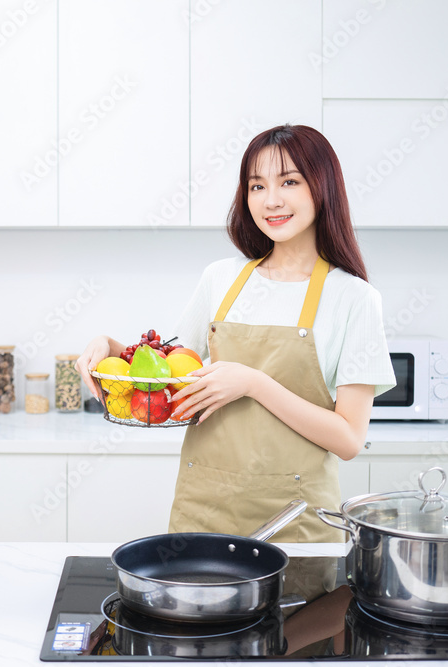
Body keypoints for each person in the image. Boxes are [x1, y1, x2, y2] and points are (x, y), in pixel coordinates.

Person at [76, 124, 395, 542]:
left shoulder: (354, 298)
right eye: (256, 186)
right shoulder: (221, 279)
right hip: (204, 512)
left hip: (295, 524)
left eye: (289, 182)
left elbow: (349, 439)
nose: (271, 200)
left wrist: (253, 383)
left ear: (323, 187)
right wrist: (110, 348)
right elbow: (169, 375)